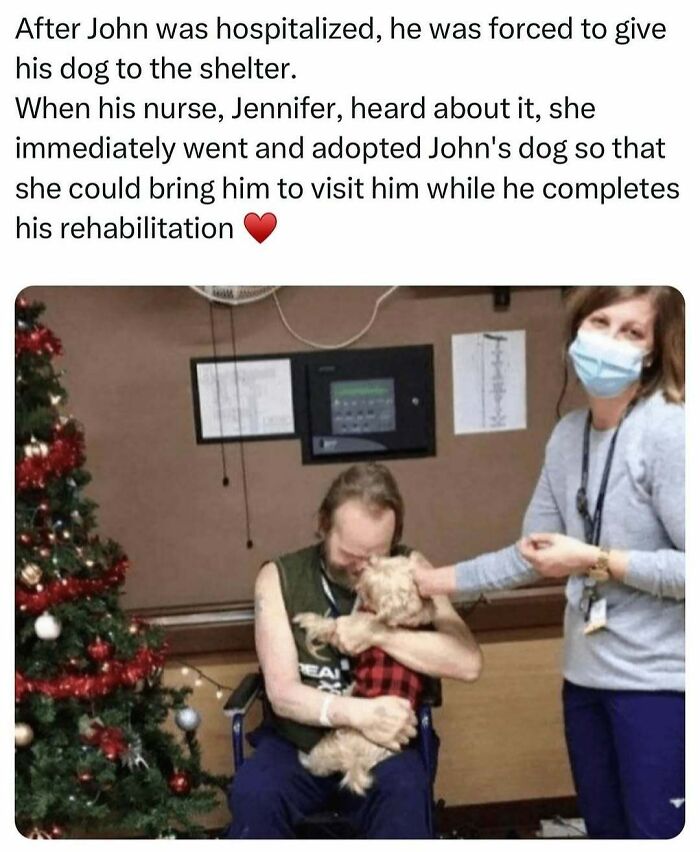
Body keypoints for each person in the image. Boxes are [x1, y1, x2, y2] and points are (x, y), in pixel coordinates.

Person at [414, 286, 685, 840]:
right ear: (575, 329)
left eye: (631, 331)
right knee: (606, 831)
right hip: (584, 680)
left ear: (654, 350)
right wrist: (427, 582)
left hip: (663, 687)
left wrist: (597, 559)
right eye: (600, 323)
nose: (610, 342)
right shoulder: (567, 437)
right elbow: (533, 555)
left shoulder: (670, 430)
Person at [227, 462, 482, 839]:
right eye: (350, 554)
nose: (362, 568)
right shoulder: (279, 577)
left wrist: (378, 634)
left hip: (382, 749)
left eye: (376, 555)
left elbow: (468, 663)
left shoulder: (411, 568)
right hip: (298, 744)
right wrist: (359, 713)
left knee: (407, 792)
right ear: (323, 525)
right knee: (255, 793)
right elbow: (282, 694)